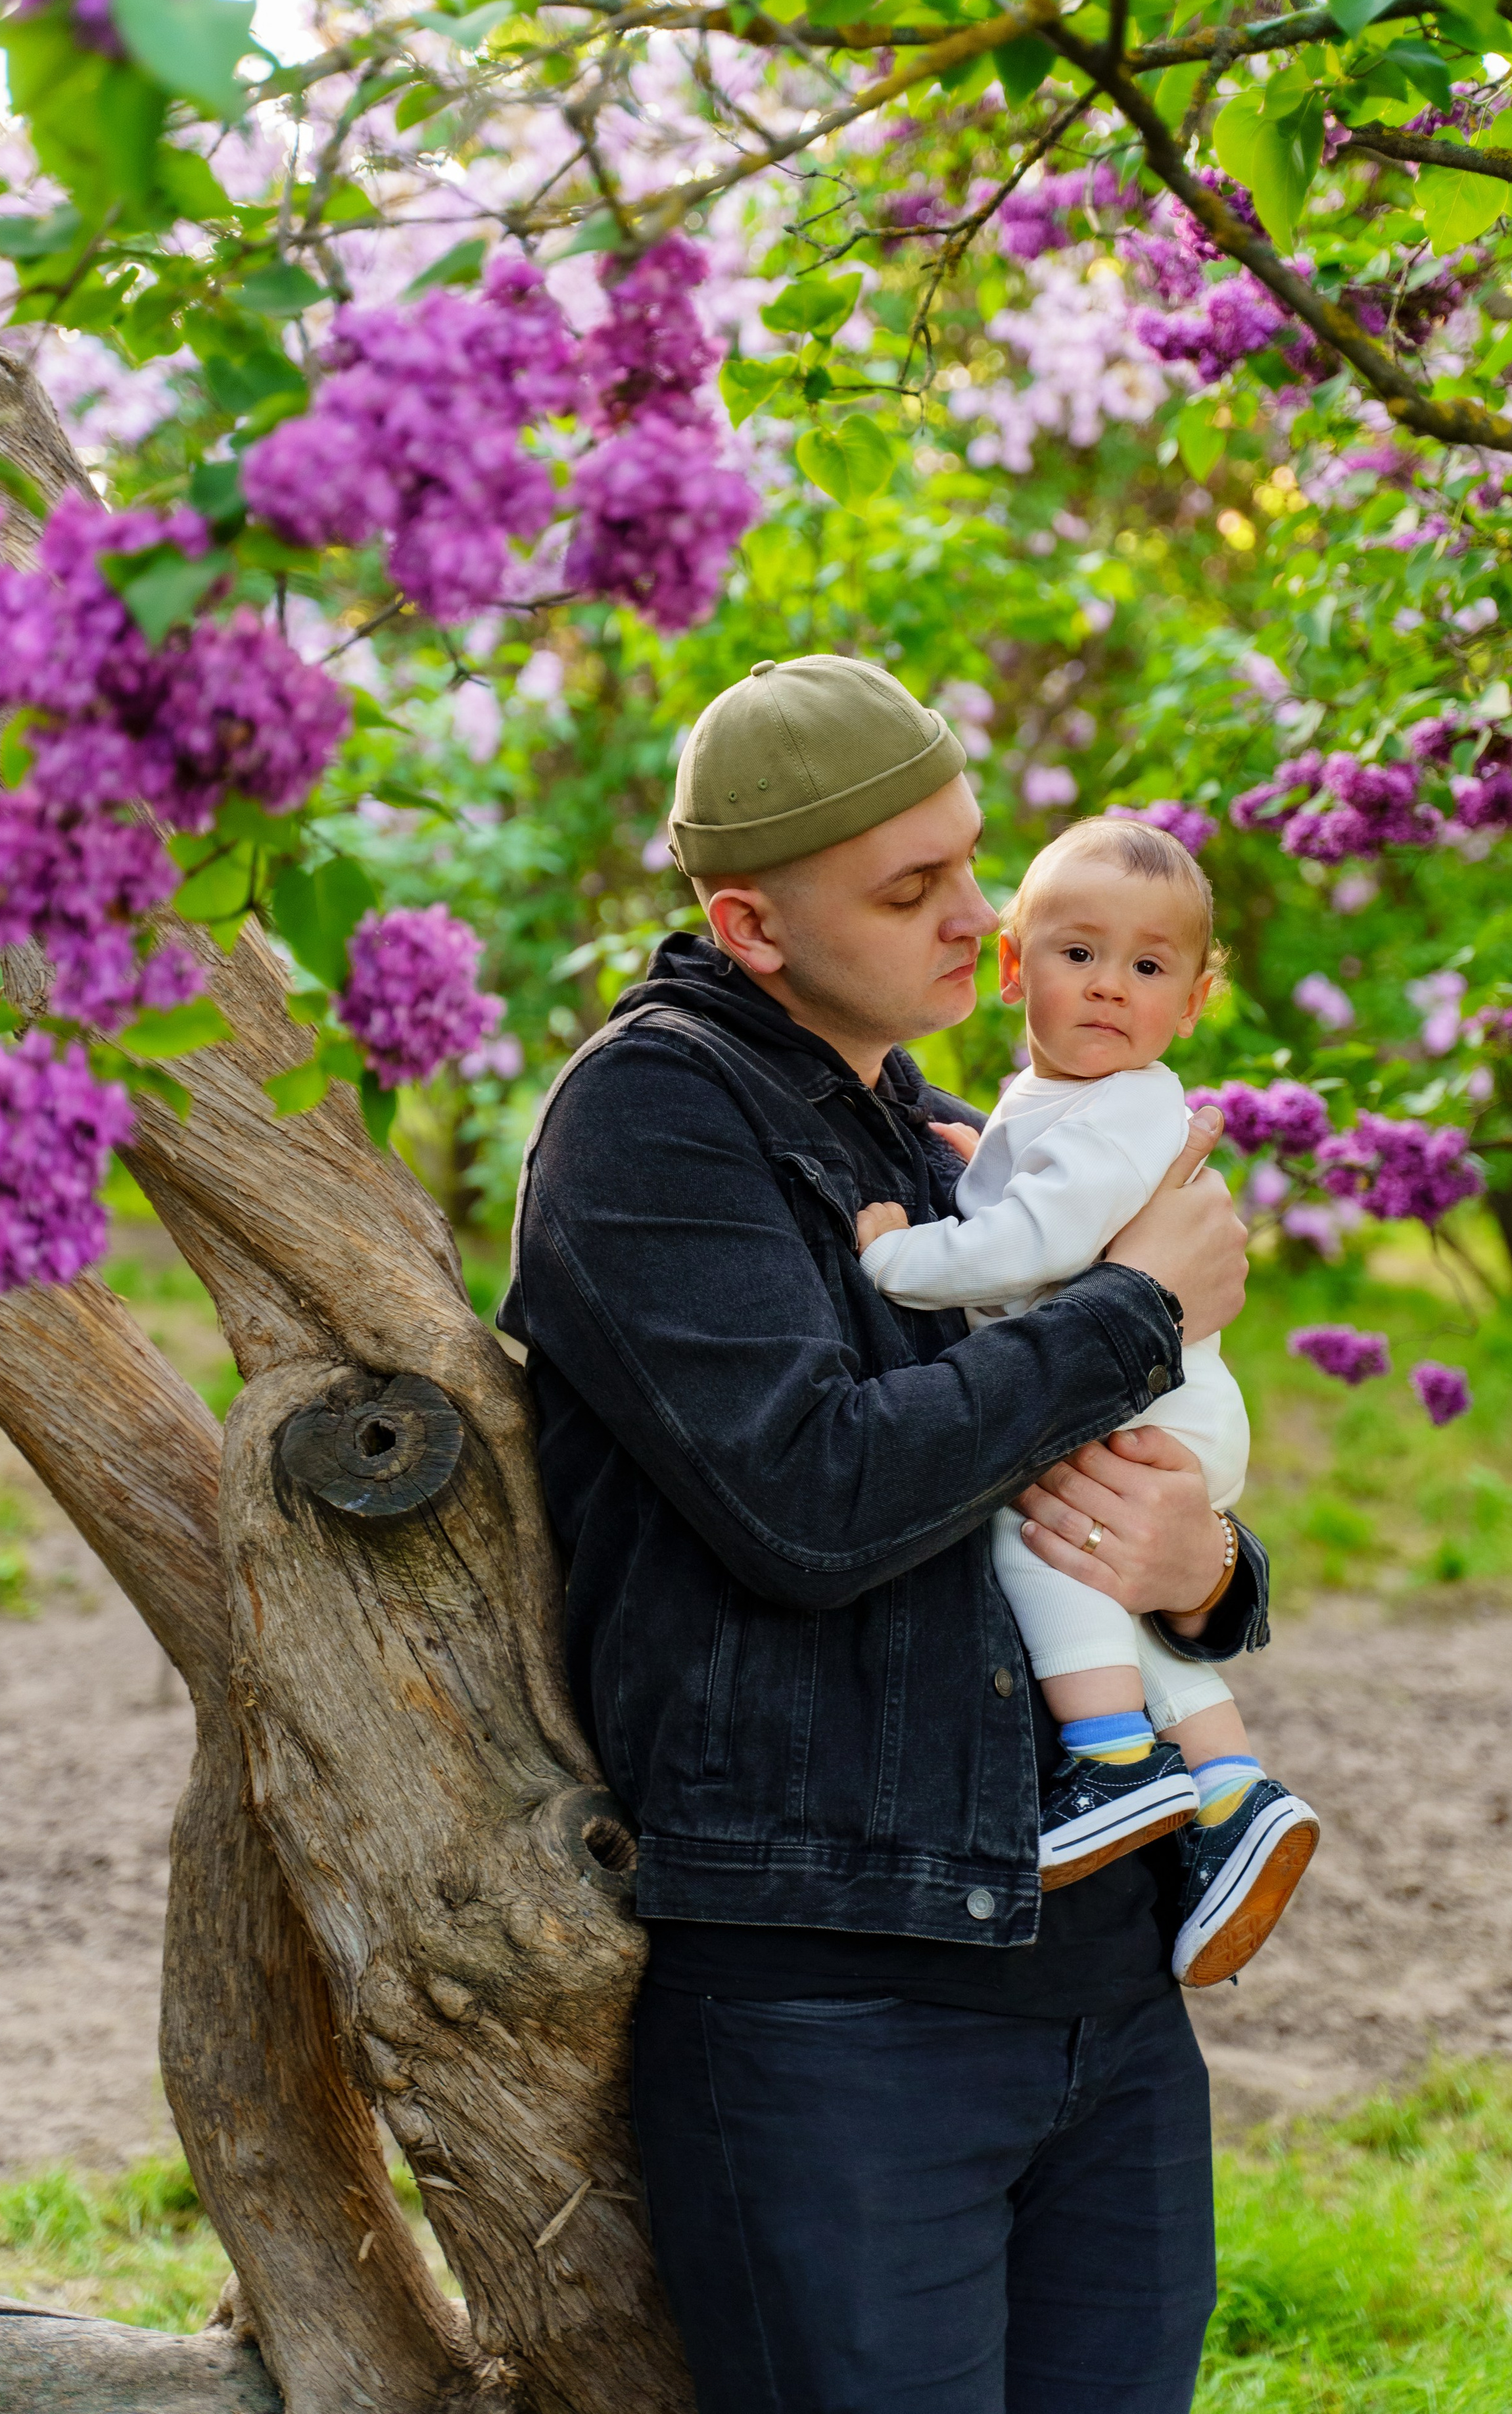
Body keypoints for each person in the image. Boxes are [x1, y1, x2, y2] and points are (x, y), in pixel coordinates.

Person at [500, 652, 1265, 2414]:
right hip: (844, 2012)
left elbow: (1104, 1500)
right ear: (752, 925)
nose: (980, 922)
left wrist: (1206, 1576)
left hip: (1102, 1978)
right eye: (911, 890)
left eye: (972, 861)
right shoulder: (651, 1120)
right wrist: (1141, 1304)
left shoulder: (945, 1139)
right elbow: (817, 1499)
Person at [856, 813, 1318, 1983]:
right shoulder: (1055, 1097)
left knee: (1032, 1538)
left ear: (1193, 1002)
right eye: (1078, 955)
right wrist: (980, 1161)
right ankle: (1230, 1785)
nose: (1110, 989)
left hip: (1151, 1405)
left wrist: (899, 1254)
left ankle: (1113, 1764)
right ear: (1015, 965)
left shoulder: (1121, 1106)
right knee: (1105, 1581)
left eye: (1148, 968)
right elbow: (1035, 1187)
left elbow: (1036, 1242)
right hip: (1160, 1400)